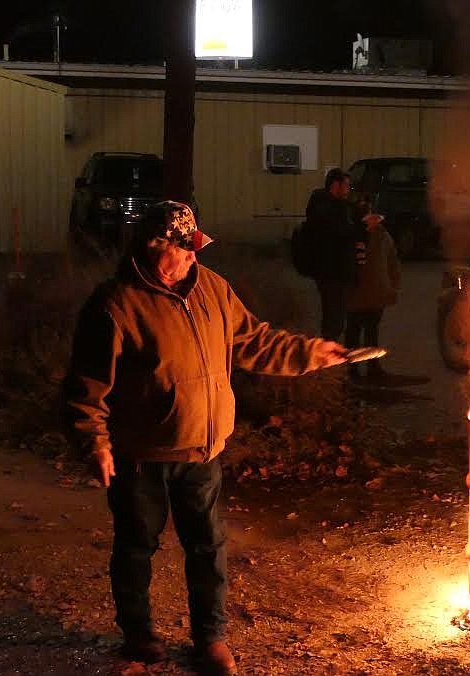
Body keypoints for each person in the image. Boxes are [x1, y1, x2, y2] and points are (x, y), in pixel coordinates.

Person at [62, 201, 347, 675]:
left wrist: (311, 353)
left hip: (203, 449)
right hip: (141, 454)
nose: (195, 256)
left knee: (208, 549)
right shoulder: (115, 305)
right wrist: (95, 442)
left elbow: (255, 341)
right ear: (157, 247)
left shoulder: (213, 289)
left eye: (196, 248)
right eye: (186, 249)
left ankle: (210, 640)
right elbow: (85, 386)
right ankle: (138, 641)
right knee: (135, 549)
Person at [304, 168, 370, 340]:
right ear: (335, 185)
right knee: (334, 318)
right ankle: (328, 353)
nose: (348, 190)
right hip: (332, 272)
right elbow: (340, 234)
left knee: (336, 316)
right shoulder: (325, 208)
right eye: (346, 186)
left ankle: (330, 350)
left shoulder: (338, 207)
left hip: (338, 271)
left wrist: (361, 217)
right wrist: (362, 226)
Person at [345, 212, 400, 380]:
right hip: (356, 294)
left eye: (375, 218)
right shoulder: (354, 236)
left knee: (371, 331)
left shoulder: (384, 236)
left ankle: (372, 367)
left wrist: (393, 286)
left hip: (376, 293)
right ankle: (352, 369)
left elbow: (392, 262)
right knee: (354, 331)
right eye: (370, 218)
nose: (373, 221)